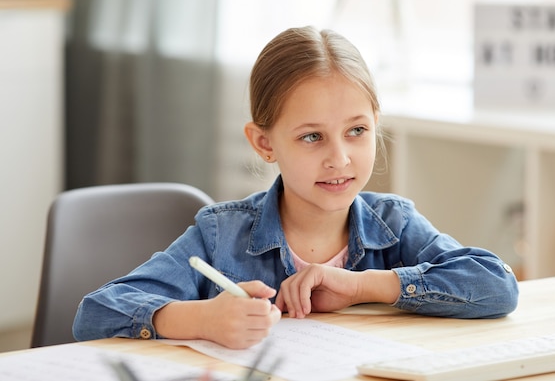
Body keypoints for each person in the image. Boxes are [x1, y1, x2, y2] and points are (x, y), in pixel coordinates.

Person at [73, 26, 519, 350]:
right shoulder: (221, 235)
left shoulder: (394, 223)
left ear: (375, 125)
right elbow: (95, 313)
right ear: (264, 143)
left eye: (357, 131)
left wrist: (362, 286)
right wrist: (202, 318)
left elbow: (496, 285)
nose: (339, 158)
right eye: (311, 136)